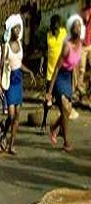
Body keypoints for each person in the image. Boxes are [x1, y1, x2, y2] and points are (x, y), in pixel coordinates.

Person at [0, 14, 36, 155]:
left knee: (17, 115)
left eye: (19, 27)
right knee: (11, 116)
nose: (18, 30)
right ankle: (4, 134)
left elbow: (19, 64)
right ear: (11, 29)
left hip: (18, 80)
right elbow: (2, 65)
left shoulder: (20, 45)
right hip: (9, 81)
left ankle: (11, 145)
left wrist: (30, 72)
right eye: (16, 28)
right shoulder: (6, 46)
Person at [47, 15, 84, 152]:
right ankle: (67, 142)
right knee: (64, 106)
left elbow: (75, 65)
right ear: (71, 29)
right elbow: (56, 67)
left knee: (67, 110)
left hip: (68, 77)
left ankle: (54, 127)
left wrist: (75, 84)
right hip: (60, 77)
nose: (77, 29)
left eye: (79, 26)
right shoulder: (66, 46)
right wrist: (50, 91)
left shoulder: (80, 45)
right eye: (75, 26)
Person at [39, 15, 67, 134]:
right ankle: (44, 122)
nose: (56, 30)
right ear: (52, 26)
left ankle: (61, 126)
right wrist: (41, 64)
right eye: (54, 28)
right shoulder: (48, 35)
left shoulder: (64, 33)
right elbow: (44, 52)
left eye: (57, 27)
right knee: (48, 102)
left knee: (62, 101)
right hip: (50, 74)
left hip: (62, 73)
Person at [78, 0, 91, 95]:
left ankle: (88, 88)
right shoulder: (83, 12)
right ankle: (80, 89)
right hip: (83, 45)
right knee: (82, 70)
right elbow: (85, 20)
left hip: (90, 44)